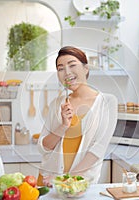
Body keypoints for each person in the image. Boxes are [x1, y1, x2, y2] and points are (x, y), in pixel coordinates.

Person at [37, 46, 118, 185]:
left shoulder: (107, 102)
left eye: (72, 65)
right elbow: (43, 147)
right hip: (47, 182)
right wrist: (63, 126)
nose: (66, 72)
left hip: (79, 184)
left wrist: (63, 180)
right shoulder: (57, 104)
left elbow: (98, 149)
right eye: (60, 68)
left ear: (86, 69)